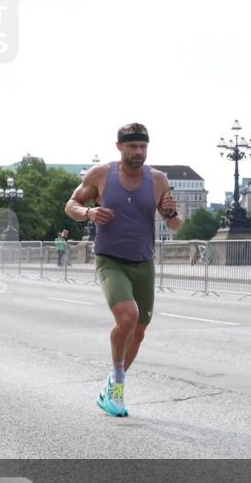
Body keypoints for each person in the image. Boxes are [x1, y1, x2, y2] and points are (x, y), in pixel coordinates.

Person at [64, 122, 181, 417]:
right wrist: (89, 212)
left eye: (142, 146)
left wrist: (171, 213)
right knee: (129, 316)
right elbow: (71, 204)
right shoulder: (101, 174)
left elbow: (175, 224)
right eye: (132, 146)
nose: (138, 152)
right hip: (110, 260)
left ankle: (112, 381)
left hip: (143, 262)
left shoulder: (158, 180)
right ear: (119, 147)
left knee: (138, 332)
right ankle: (117, 390)